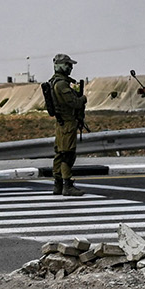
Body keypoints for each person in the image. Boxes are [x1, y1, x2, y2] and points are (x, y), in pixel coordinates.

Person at [41, 54, 88, 196]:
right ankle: (67, 185)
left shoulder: (54, 82)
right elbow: (73, 102)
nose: (70, 68)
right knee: (67, 154)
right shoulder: (61, 84)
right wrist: (83, 99)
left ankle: (58, 185)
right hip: (67, 123)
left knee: (60, 154)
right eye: (68, 65)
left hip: (61, 123)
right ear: (61, 66)